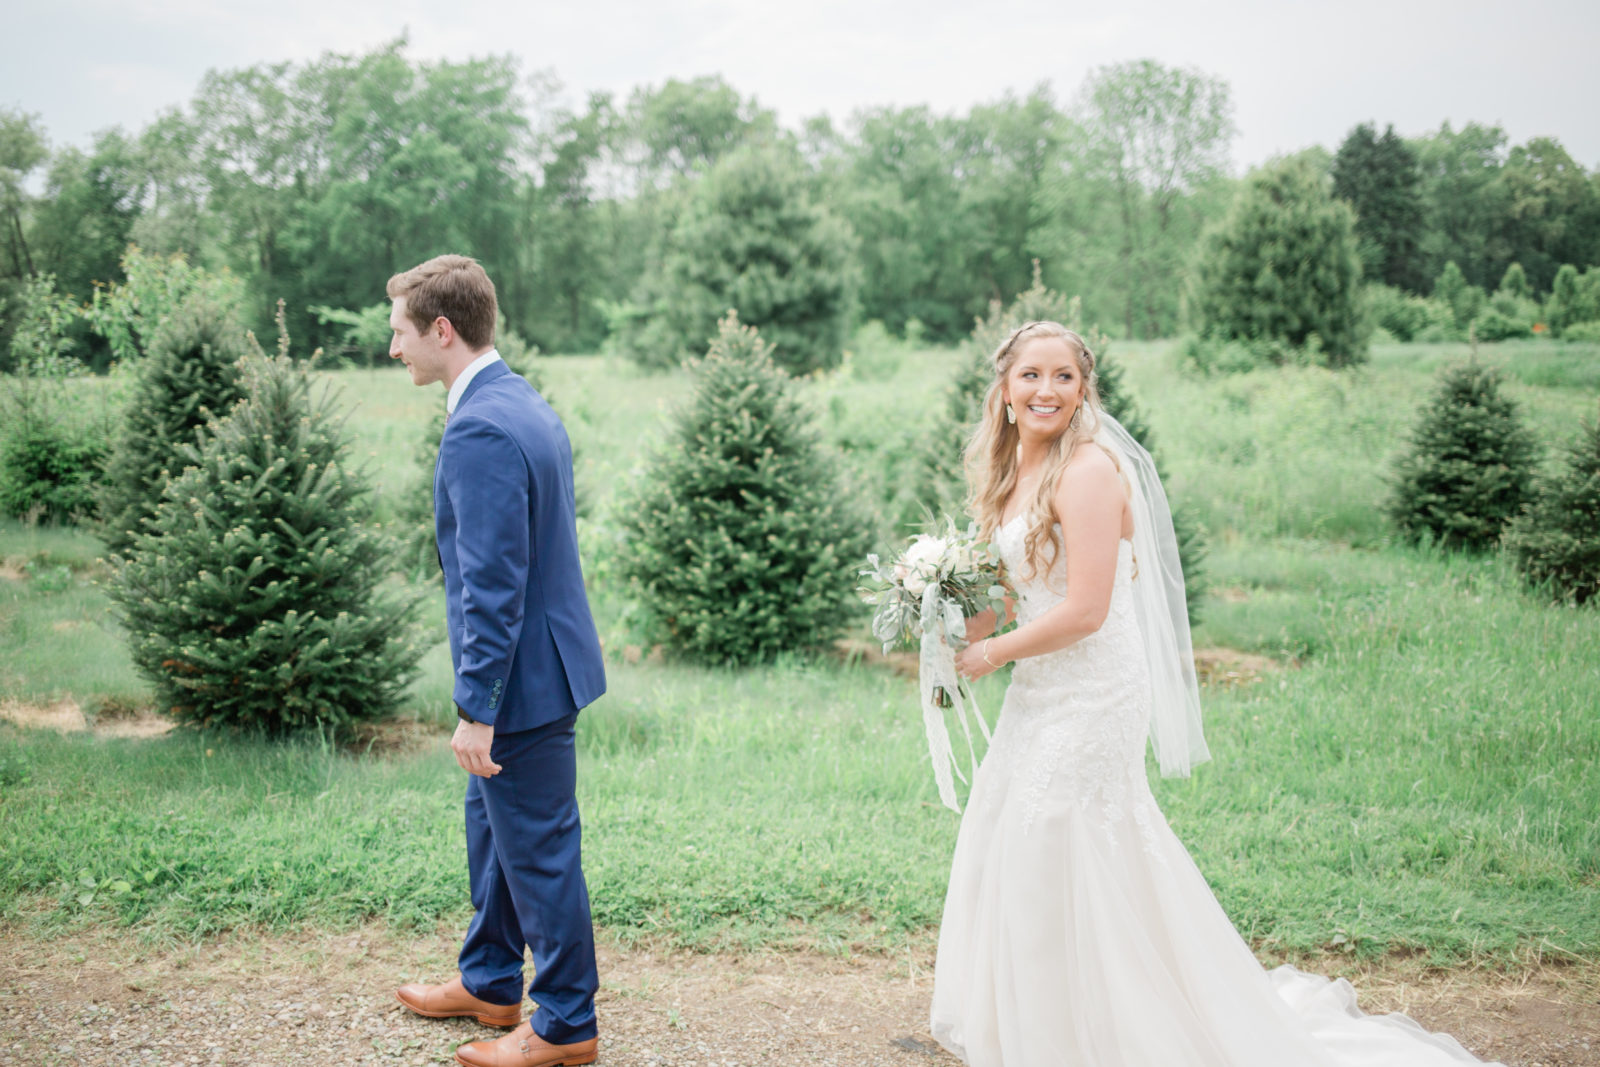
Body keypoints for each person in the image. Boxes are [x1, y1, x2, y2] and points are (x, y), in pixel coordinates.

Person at [935, 321, 1499, 1065]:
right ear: (1004, 390)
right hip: (1041, 685)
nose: (1046, 390)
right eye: (1031, 376)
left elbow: (1087, 609)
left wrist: (989, 654)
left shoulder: (1090, 471)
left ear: (1084, 389)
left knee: (1055, 828)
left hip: (1097, 685)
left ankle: (1109, 1030)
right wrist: (939, 616)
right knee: (1015, 828)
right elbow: (1013, 596)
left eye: (1063, 376)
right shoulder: (1010, 477)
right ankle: (1050, 1022)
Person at [386, 255, 607, 1067]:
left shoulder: (479, 425)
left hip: (521, 683)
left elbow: (494, 584)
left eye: (401, 333)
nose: (393, 349)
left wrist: (478, 708)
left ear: (442, 330)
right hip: (543, 663)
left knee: (539, 848)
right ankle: (488, 980)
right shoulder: (519, 400)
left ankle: (564, 1023)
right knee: (495, 833)